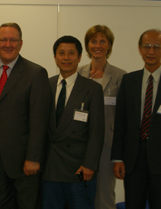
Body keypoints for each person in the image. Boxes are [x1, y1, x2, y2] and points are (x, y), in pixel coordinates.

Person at [0, 22, 50, 209]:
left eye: (13, 40)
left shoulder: (35, 73)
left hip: (24, 159)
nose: (8, 44)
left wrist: (34, 157)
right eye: (3, 39)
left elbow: (39, 121)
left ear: (21, 43)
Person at [42, 35, 105, 209]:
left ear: (79, 57)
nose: (66, 57)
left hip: (79, 169)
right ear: (55, 57)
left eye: (71, 53)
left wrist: (90, 164)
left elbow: (97, 131)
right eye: (61, 53)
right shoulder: (45, 85)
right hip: (50, 168)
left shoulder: (92, 89)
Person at [78, 25, 126, 209]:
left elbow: (123, 119)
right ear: (88, 45)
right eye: (93, 41)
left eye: (102, 41)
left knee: (104, 195)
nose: (97, 45)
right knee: (78, 194)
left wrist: (119, 156)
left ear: (109, 45)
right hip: (79, 142)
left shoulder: (121, 76)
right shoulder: (77, 73)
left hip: (107, 145)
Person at [111, 29, 161, 209]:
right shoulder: (129, 80)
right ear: (139, 49)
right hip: (133, 160)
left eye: (157, 47)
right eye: (147, 46)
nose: (151, 51)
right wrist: (117, 158)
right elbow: (120, 122)